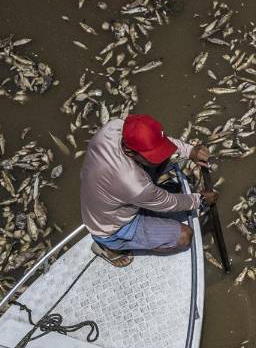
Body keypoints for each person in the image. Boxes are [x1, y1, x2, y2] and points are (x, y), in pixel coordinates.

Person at [79, 114, 217, 267]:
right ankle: (109, 248)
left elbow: (159, 142)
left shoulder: (113, 128)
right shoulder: (134, 184)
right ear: (130, 152)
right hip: (113, 228)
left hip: (106, 197)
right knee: (185, 237)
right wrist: (201, 200)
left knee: (164, 159)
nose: (161, 156)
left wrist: (189, 151)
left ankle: (147, 202)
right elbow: (169, 202)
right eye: (153, 155)